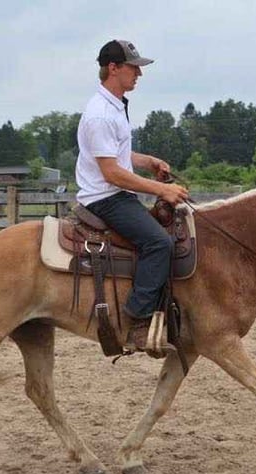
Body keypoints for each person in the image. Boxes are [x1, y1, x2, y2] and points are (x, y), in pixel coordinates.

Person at [75, 39, 189, 356]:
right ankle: (137, 321)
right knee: (159, 243)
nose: (139, 74)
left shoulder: (114, 106)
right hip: (107, 198)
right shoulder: (100, 114)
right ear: (113, 68)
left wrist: (147, 161)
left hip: (115, 194)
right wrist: (162, 189)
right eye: (133, 68)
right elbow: (112, 172)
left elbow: (117, 155)